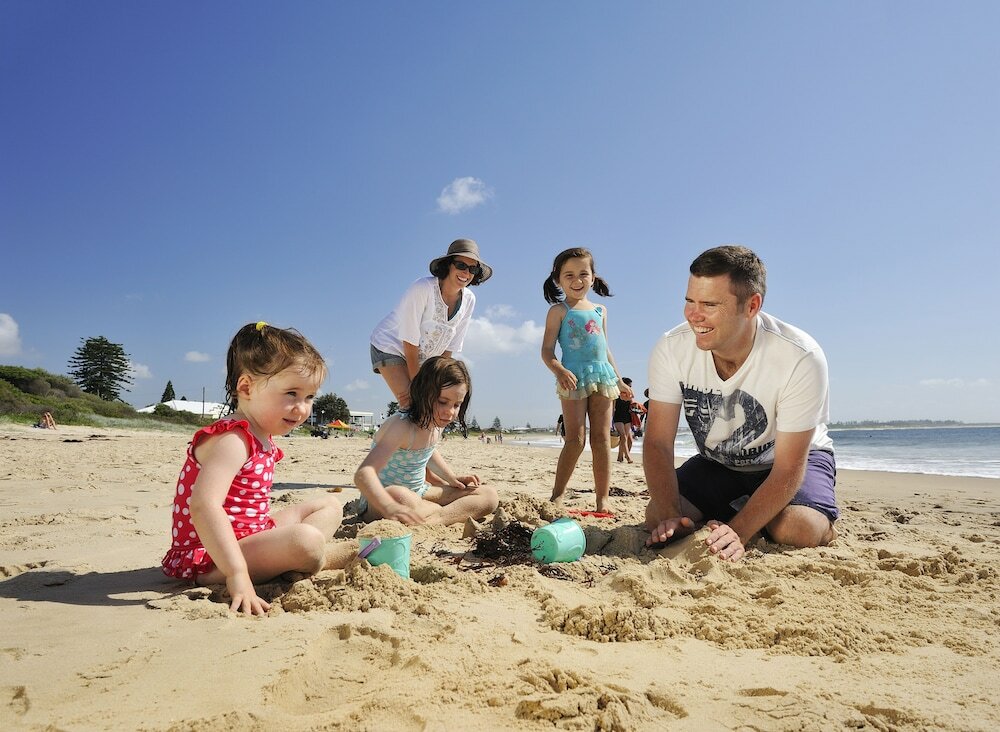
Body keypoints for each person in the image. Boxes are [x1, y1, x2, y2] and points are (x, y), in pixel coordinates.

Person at [643, 246, 838, 561]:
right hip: (719, 462)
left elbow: (790, 467)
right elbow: (657, 444)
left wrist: (740, 531)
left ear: (752, 305)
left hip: (787, 461)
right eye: (689, 301)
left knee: (797, 529)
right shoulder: (671, 349)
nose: (694, 315)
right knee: (655, 515)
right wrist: (670, 517)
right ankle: (746, 506)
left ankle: (796, 519)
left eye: (709, 304)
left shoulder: (799, 356)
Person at [161, 322, 351, 616]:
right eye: (291, 393)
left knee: (329, 505)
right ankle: (307, 560)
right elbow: (203, 506)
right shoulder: (233, 439)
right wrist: (236, 573)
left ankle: (292, 562)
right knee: (306, 540)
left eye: (309, 397)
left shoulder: (261, 435)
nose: (302, 408)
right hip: (213, 555)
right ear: (246, 387)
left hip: (251, 535)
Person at [354, 357, 499, 526]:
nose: (450, 412)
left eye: (457, 404)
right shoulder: (402, 426)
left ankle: (435, 519)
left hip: (420, 492)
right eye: (442, 402)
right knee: (399, 495)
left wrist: (452, 478)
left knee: (489, 495)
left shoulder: (437, 423)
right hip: (382, 501)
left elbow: (427, 452)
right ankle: (438, 514)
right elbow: (363, 474)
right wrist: (388, 505)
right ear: (423, 393)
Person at [541, 247, 632, 513]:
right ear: (558, 279)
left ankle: (602, 498)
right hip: (573, 377)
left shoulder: (601, 310)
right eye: (569, 275)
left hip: (602, 376)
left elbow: (606, 349)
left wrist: (619, 380)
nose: (577, 280)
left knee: (602, 439)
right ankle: (557, 495)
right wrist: (559, 370)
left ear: (593, 277)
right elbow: (547, 351)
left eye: (583, 273)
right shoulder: (558, 311)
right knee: (575, 439)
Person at [370, 238, 492, 410]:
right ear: (449, 265)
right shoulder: (423, 288)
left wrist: (437, 384)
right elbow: (409, 343)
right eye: (461, 265)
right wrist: (420, 388)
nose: (466, 272)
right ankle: (383, 438)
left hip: (424, 357)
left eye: (473, 269)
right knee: (411, 404)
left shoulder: (469, 300)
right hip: (390, 345)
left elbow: (448, 350)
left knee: (433, 407)